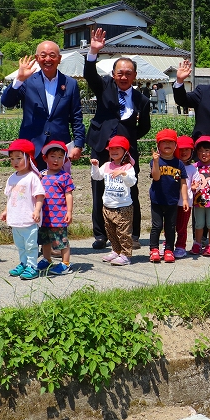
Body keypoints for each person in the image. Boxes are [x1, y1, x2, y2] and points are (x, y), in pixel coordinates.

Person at [85, 29, 151, 250]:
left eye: (128, 73)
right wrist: (93, 52)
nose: (124, 77)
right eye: (120, 73)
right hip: (101, 147)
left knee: (130, 190)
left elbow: (145, 127)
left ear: (135, 76)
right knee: (99, 190)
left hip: (127, 152)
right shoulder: (104, 86)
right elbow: (90, 75)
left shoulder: (142, 100)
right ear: (113, 74)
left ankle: (131, 234)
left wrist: (128, 139)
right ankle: (101, 234)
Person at [0, 40, 85, 170]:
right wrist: (19, 80)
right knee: (31, 188)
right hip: (32, 147)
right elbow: (7, 102)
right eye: (43, 55)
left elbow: (76, 118)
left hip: (59, 149)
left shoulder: (70, 84)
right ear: (37, 58)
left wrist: (78, 145)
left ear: (59, 59)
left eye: (52, 55)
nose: (48, 59)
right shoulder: (28, 81)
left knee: (58, 188)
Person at [0, 139, 45, 280]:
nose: (15, 162)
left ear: (29, 158)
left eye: (19, 158)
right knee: (20, 244)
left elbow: (39, 196)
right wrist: (6, 211)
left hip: (28, 218)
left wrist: (37, 211)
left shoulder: (32, 177)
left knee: (31, 245)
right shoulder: (12, 178)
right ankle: (24, 263)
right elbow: (9, 196)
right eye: (12, 159)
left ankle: (32, 266)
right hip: (15, 219)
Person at [90, 135, 138, 266]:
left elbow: (132, 182)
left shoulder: (128, 167)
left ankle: (126, 255)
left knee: (123, 232)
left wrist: (123, 174)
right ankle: (116, 250)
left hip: (123, 206)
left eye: (118, 148)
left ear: (125, 151)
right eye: (111, 149)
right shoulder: (106, 166)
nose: (114, 151)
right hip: (108, 205)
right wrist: (95, 166)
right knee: (111, 231)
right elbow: (97, 177)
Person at [150, 129, 189, 263]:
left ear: (175, 145)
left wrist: (184, 199)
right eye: (164, 142)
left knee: (170, 226)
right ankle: (154, 249)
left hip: (172, 201)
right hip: (157, 200)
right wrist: (155, 162)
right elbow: (156, 177)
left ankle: (169, 250)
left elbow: (182, 182)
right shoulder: (156, 161)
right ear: (158, 145)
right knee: (157, 225)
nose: (167, 144)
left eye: (171, 142)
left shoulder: (178, 164)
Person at [38, 141, 75, 275]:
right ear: (45, 158)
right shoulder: (41, 175)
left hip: (58, 215)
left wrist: (69, 211)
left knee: (61, 241)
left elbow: (69, 195)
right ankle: (47, 259)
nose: (56, 160)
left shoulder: (65, 176)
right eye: (53, 156)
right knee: (45, 240)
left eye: (60, 157)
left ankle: (66, 264)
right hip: (44, 215)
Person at [173, 136, 196, 258]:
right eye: (181, 149)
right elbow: (175, 181)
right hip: (172, 201)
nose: (184, 152)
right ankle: (168, 244)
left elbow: (196, 183)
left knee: (182, 226)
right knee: (170, 225)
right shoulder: (175, 166)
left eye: (187, 149)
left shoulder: (192, 169)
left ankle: (181, 246)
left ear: (192, 151)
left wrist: (195, 186)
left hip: (185, 203)